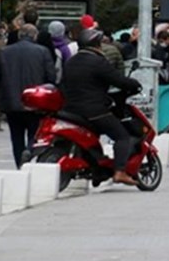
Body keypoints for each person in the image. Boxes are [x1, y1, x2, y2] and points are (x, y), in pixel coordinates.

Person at [59, 28, 143, 185]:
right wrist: (135, 85)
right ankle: (120, 171)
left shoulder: (71, 61)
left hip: (70, 110)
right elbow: (117, 79)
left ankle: (97, 168)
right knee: (121, 136)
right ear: (97, 44)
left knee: (92, 136)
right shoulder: (98, 62)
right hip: (94, 110)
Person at [0, 24, 56, 167]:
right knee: (35, 132)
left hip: (11, 101)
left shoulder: (5, 52)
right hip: (35, 101)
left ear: (19, 35)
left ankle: (20, 163)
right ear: (35, 36)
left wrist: (5, 87)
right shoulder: (43, 52)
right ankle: (30, 151)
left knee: (16, 135)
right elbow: (51, 77)